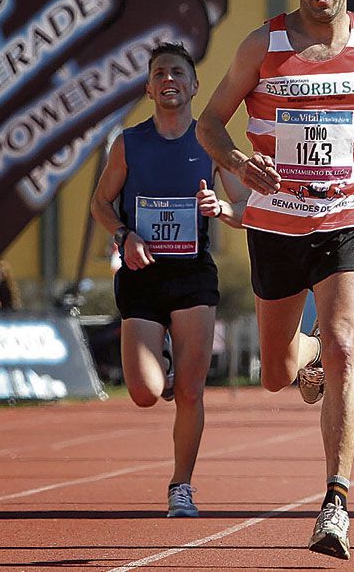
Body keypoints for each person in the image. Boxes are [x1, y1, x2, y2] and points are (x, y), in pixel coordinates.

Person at [194, 0, 354, 560]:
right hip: (276, 224)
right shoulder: (263, 45)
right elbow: (210, 123)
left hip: (348, 219)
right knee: (276, 371)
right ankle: (305, 351)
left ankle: (335, 502)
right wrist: (236, 162)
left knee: (346, 343)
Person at [90, 43, 248, 520]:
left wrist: (220, 208)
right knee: (142, 392)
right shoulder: (129, 143)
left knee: (192, 393)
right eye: (159, 73)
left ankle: (182, 485)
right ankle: (165, 366)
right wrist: (123, 233)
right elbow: (100, 203)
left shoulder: (212, 142)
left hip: (193, 275)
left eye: (178, 72)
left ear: (195, 85)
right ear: (149, 87)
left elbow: (247, 209)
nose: (168, 80)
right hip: (141, 274)